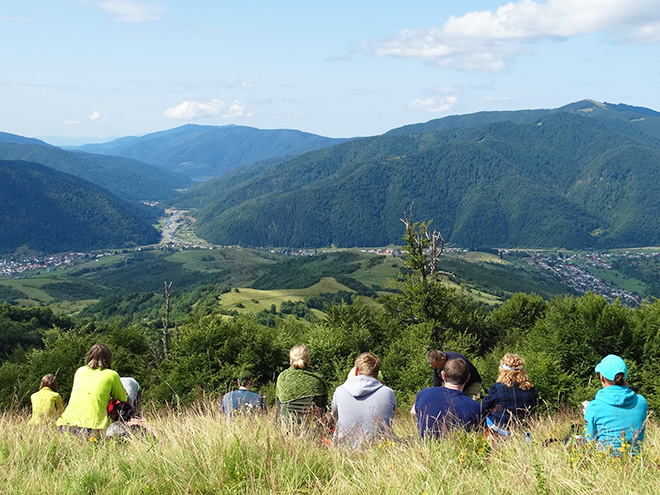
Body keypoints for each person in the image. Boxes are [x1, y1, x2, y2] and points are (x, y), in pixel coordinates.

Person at [56, 343, 127, 437]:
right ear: (108, 358)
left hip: (66, 424)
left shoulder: (80, 371)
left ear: (89, 356)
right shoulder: (112, 374)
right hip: (94, 426)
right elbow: (123, 398)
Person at [583, 354, 648, 454]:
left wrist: (589, 414)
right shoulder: (641, 402)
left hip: (605, 464)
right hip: (636, 464)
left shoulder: (594, 407)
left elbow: (588, 442)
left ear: (602, 378)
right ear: (624, 377)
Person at [332, 353, 396, 449]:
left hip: (343, 451)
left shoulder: (339, 391)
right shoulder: (388, 393)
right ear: (378, 373)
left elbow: (335, 418)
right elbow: (390, 418)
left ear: (356, 371)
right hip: (379, 451)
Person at [412, 358, 482, 439]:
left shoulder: (424, 393)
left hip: (425, 447)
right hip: (457, 449)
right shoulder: (476, 408)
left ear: (443, 375)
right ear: (468, 378)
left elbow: (413, 412)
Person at [482, 353, 537, 435]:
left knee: (484, 416)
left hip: (501, 428)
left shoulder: (498, 387)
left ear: (502, 370)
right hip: (523, 428)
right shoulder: (529, 388)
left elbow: (485, 405)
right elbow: (533, 408)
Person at [276, 344, 328, 422]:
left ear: (291, 361)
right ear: (308, 360)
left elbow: (279, 405)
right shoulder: (318, 379)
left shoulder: (283, 378)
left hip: (286, 428)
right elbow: (323, 409)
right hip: (313, 429)